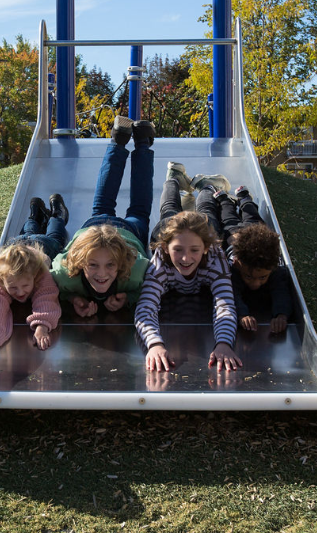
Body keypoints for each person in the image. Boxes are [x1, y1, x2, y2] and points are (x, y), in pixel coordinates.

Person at [135, 162, 241, 373]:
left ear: (205, 248)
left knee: (206, 213)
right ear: (166, 247)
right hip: (168, 231)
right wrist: (155, 344)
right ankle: (173, 179)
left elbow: (225, 305)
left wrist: (223, 343)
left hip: (204, 230)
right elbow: (146, 307)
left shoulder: (214, 260)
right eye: (178, 250)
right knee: (168, 212)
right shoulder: (160, 264)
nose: (185, 258)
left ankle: (206, 187)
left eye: (194, 250)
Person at [51, 116, 154, 317]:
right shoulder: (64, 275)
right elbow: (154, 286)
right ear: (79, 263)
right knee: (114, 207)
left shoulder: (135, 270)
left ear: (122, 264)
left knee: (136, 210)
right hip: (112, 231)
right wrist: (73, 298)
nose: (102, 273)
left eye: (110, 265)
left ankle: (135, 141)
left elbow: (154, 287)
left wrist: (129, 297)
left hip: (101, 231)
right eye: (93, 265)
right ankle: (127, 141)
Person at [213, 185, 293, 333]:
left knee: (251, 215)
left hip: (254, 231)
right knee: (228, 218)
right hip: (234, 236)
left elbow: (281, 292)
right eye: (248, 276)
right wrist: (242, 314)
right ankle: (224, 200)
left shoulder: (275, 269)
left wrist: (281, 315)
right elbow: (232, 294)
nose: (255, 284)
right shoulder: (233, 269)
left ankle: (244, 198)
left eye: (262, 277)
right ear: (237, 264)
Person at [0, 241, 61, 352]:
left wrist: (42, 327)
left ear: (34, 276)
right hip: (17, 243)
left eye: (25, 285)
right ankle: (31, 222)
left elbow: (47, 297)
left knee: (54, 237)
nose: (20, 293)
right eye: (13, 287)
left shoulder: (41, 274)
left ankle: (55, 222)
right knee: (29, 230)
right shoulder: (1, 279)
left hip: (44, 244)